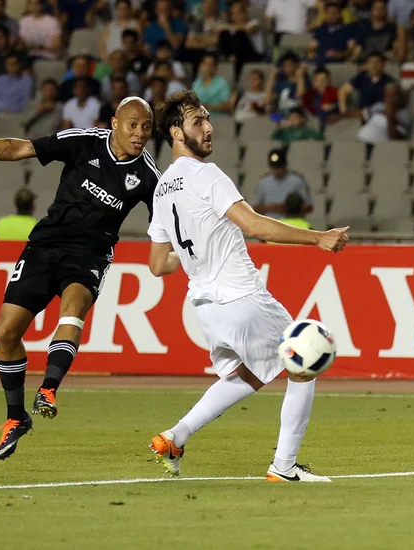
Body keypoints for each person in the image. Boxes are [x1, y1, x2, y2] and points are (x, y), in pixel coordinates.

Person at [0, 97, 161, 460]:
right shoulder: (83, 140)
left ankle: (49, 389)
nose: (139, 133)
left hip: (91, 254)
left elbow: (164, 224)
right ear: (115, 122)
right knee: (6, 332)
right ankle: (16, 417)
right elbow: (20, 147)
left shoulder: (148, 175)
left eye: (146, 127)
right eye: (133, 124)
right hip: (47, 244)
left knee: (74, 307)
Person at [147, 90, 348, 482]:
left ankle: (176, 436)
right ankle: (284, 467)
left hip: (207, 307)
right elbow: (255, 225)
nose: (208, 127)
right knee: (305, 362)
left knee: (250, 375)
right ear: (175, 132)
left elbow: (158, 264)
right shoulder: (207, 174)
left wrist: (195, 254)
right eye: (197, 122)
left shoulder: (162, 187)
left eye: (207, 118)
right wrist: (318, 237)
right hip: (241, 296)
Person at [253, 148, 313, 218]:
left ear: (285, 165)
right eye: (274, 167)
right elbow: (254, 208)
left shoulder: (297, 181)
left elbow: (309, 207)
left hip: (291, 224)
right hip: (270, 224)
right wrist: (269, 208)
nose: (276, 170)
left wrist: (288, 208)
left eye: (279, 167)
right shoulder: (263, 183)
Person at [0, 54, 35, 119]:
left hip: (16, 116)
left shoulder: (26, 80)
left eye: (14, 64)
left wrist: (11, 111)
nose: (12, 67)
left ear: (19, 65)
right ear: (5, 66)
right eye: (9, 65)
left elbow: (26, 102)